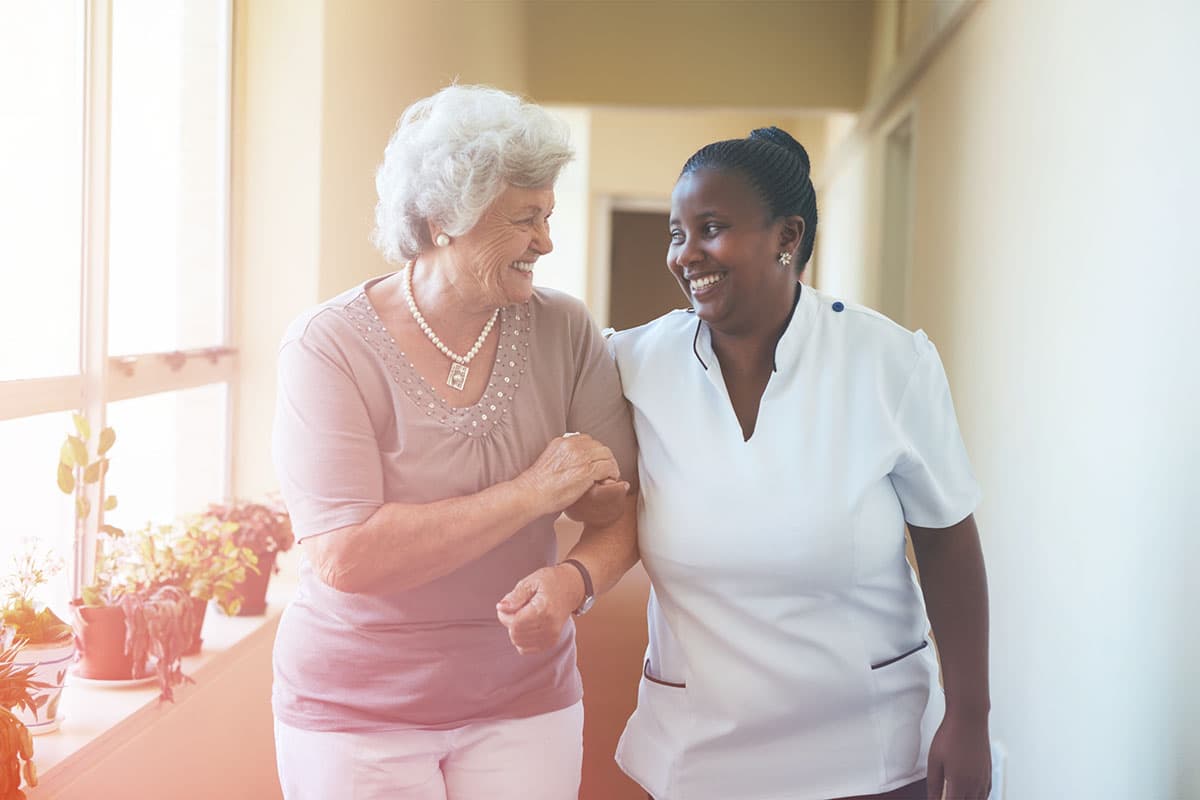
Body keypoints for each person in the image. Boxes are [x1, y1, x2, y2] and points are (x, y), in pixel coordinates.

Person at [270, 84, 638, 800]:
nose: (547, 242)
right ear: (443, 220)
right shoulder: (329, 346)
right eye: (525, 219)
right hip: (355, 714)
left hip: (526, 701)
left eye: (549, 215)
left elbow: (617, 511)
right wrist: (533, 493)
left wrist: (574, 579)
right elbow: (347, 555)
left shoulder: (565, 329)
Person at [606, 128, 992, 800]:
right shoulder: (632, 365)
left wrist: (971, 715)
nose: (684, 254)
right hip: (699, 754)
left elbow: (948, 541)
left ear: (787, 236)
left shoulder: (887, 362)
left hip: (868, 752)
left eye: (712, 228)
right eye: (677, 233)